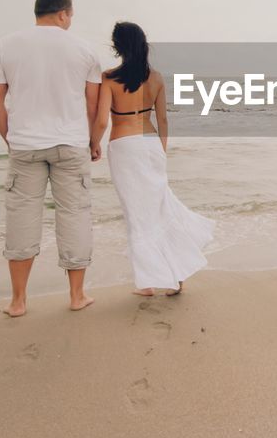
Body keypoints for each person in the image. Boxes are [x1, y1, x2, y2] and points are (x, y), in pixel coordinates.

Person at [0, 0, 102, 317]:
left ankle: (18, 301)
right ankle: (77, 295)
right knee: (75, 215)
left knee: (21, 217)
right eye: (71, 16)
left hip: (25, 146)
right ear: (63, 14)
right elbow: (93, 102)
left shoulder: (5, 45)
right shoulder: (83, 49)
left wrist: (11, 138)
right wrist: (93, 140)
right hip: (71, 144)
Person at [91, 21, 214, 296]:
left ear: (117, 47)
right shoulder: (156, 78)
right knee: (161, 208)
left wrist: (93, 144)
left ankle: (148, 284)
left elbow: (101, 120)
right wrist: (162, 150)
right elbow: (163, 119)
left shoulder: (108, 78)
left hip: (124, 147)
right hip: (151, 144)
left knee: (137, 215)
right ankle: (176, 278)